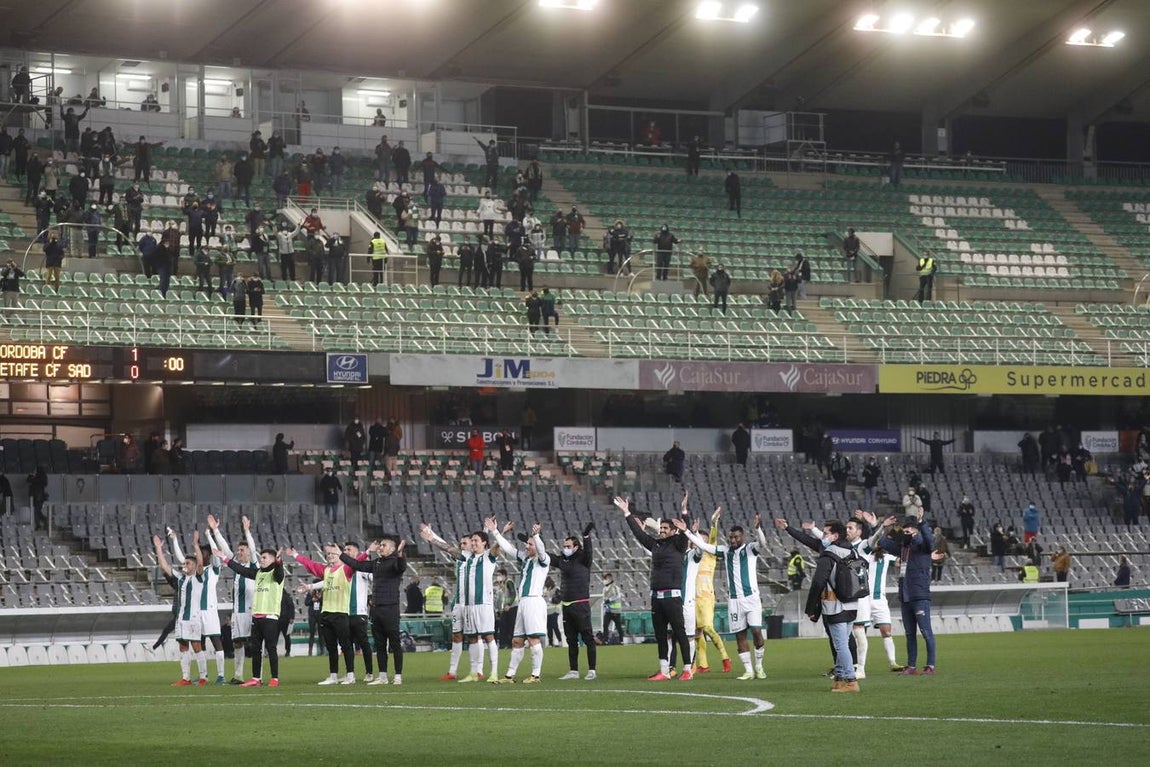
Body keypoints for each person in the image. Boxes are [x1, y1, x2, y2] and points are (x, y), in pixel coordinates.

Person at [680, 508, 768, 681]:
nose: (733, 540)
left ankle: (759, 666)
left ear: (743, 537)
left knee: (757, 632)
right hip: (734, 601)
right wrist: (687, 532)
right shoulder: (725, 551)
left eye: (736, 537)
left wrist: (758, 529)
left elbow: (763, 544)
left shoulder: (750, 549)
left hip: (751, 599)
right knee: (740, 635)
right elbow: (704, 546)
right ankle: (748, 670)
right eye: (731, 537)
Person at [617, 496, 691, 681]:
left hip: (672, 597)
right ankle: (664, 671)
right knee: (660, 635)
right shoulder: (656, 545)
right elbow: (639, 534)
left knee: (680, 632)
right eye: (661, 528)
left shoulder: (678, 544)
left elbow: (684, 531)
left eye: (665, 528)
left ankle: (688, 669)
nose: (662, 530)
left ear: (673, 530)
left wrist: (684, 514)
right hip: (656, 597)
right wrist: (627, 513)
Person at [488, 521, 550, 684]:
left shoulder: (543, 559)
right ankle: (509, 676)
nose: (527, 546)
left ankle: (536, 675)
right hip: (523, 603)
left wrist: (536, 536)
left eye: (530, 544)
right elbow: (509, 549)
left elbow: (541, 549)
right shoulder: (525, 558)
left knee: (533, 639)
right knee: (517, 641)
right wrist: (495, 532)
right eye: (527, 544)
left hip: (534, 602)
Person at [286, 543, 358, 685]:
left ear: (340, 553)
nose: (330, 556)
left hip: (340, 613)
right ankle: (333, 676)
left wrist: (367, 552)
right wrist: (295, 555)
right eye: (328, 553)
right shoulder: (326, 570)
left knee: (346, 646)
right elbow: (310, 565)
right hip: (326, 613)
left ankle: (351, 675)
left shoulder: (347, 569)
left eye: (333, 553)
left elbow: (357, 563)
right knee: (331, 647)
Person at [342, 536, 407, 685]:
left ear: (392, 549)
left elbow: (401, 566)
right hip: (376, 609)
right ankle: (382, 676)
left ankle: (398, 675)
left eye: (384, 545)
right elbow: (357, 565)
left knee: (395, 643)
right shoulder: (376, 563)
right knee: (379, 644)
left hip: (390, 608)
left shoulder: (395, 562)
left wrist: (400, 554)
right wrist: (341, 554)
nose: (380, 547)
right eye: (380, 545)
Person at [878, 515, 938, 676]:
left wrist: (922, 524)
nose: (906, 534)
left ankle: (930, 665)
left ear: (916, 532)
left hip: (919, 595)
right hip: (905, 596)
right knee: (910, 634)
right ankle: (911, 666)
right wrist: (878, 526)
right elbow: (882, 542)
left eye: (909, 532)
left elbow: (928, 541)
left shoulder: (924, 547)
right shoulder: (903, 549)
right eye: (904, 532)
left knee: (926, 632)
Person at [206, 514, 259, 684]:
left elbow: (253, 548)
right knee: (237, 643)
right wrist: (215, 531)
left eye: (242, 550)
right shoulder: (236, 564)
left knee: (256, 644)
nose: (238, 552)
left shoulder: (254, 565)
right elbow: (225, 548)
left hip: (252, 611)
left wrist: (247, 531)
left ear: (248, 552)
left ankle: (257, 676)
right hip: (237, 612)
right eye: (238, 550)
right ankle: (238, 675)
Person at [153, 531, 209, 686]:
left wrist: (196, 545)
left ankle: (203, 677)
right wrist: (158, 548)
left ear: (194, 565)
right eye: (184, 564)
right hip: (181, 619)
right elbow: (164, 566)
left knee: (196, 646)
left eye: (187, 563)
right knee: (183, 646)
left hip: (193, 618)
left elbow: (200, 563)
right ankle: (186, 678)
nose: (185, 566)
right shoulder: (181, 578)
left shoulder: (199, 577)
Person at [420, 526, 473, 681]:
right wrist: (432, 534)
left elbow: (447, 547)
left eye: (465, 543)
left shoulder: (474, 558)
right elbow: (447, 546)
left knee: (476, 638)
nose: (461, 545)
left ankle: (477, 670)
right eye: (461, 543)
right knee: (456, 636)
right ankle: (452, 671)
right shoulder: (460, 558)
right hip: (458, 603)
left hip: (473, 604)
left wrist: (432, 538)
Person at [688, 501, 731, 675]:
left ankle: (725, 657)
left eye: (703, 539)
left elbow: (713, 537)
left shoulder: (710, 554)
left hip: (706, 597)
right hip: (692, 598)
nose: (700, 541)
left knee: (707, 627)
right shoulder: (692, 556)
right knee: (696, 632)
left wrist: (714, 522)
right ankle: (703, 664)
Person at [458, 526, 504, 683]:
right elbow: (450, 549)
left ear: (484, 543)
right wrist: (431, 538)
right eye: (472, 540)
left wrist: (500, 532)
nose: (473, 543)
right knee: (472, 638)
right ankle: (474, 672)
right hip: (469, 605)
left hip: (484, 604)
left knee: (489, 636)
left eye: (476, 540)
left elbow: (497, 546)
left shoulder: (488, 556)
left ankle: (494, 672)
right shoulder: (467, 558)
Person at [554, 522, 597, 680]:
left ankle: (592, 670)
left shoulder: (583, 559)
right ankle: (573, 671)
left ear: (576, 547)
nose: (565, 548)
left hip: (580, 604)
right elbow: (547, 557)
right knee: (571, 640)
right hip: (566, 605)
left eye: (568, 546)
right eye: (564, 546)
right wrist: (534, 539)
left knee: (587, 638)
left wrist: (586, 536)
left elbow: (589, 551)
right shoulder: (562, 560)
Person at [601, 572, 623, 646]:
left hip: (615, 611)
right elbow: (604, 598)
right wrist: (605, 602)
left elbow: (618, 596)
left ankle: (621, 640)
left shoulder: (615, 587)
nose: (604, 580)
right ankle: (605, 640)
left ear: (610, 578)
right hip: (608, 610)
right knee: (605, 625)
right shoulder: (604, 588)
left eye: (606, 578)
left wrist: (609, 600)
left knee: (618, 626)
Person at [28, 466, 49, 531]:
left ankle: (41, 522)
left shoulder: (38, 478)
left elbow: (29, 480)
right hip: (38, 497)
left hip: (38, 497)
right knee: (37, 511)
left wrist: (31, 475)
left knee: (36, 511)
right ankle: (40, 523)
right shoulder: (42, 477)